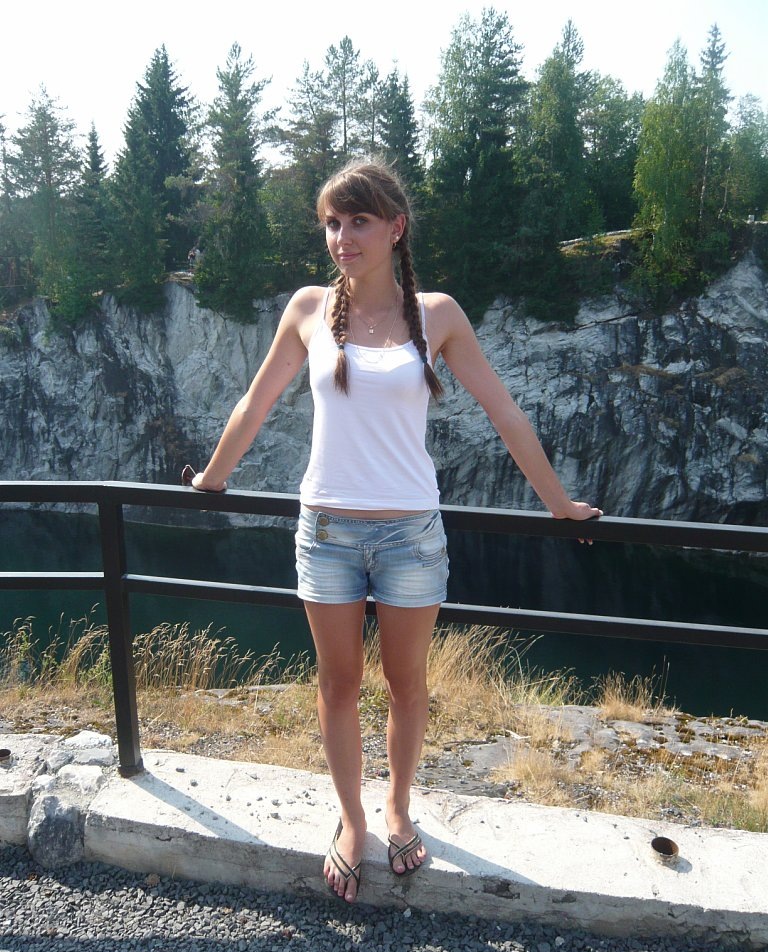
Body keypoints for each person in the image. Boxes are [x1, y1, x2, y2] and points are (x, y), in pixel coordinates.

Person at [189, 159, 602, 903]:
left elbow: (504, 412)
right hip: (327, 533)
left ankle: (399, 808)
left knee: (406, 684)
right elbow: (255, 402)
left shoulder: (437, 315)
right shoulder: (309, 308)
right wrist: (212, 478)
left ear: (395, 228)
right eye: (332, 223)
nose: (342, 237)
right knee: (338, 684)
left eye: (359, 221)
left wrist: (560, 505)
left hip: (412, 535)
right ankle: (352, 820)